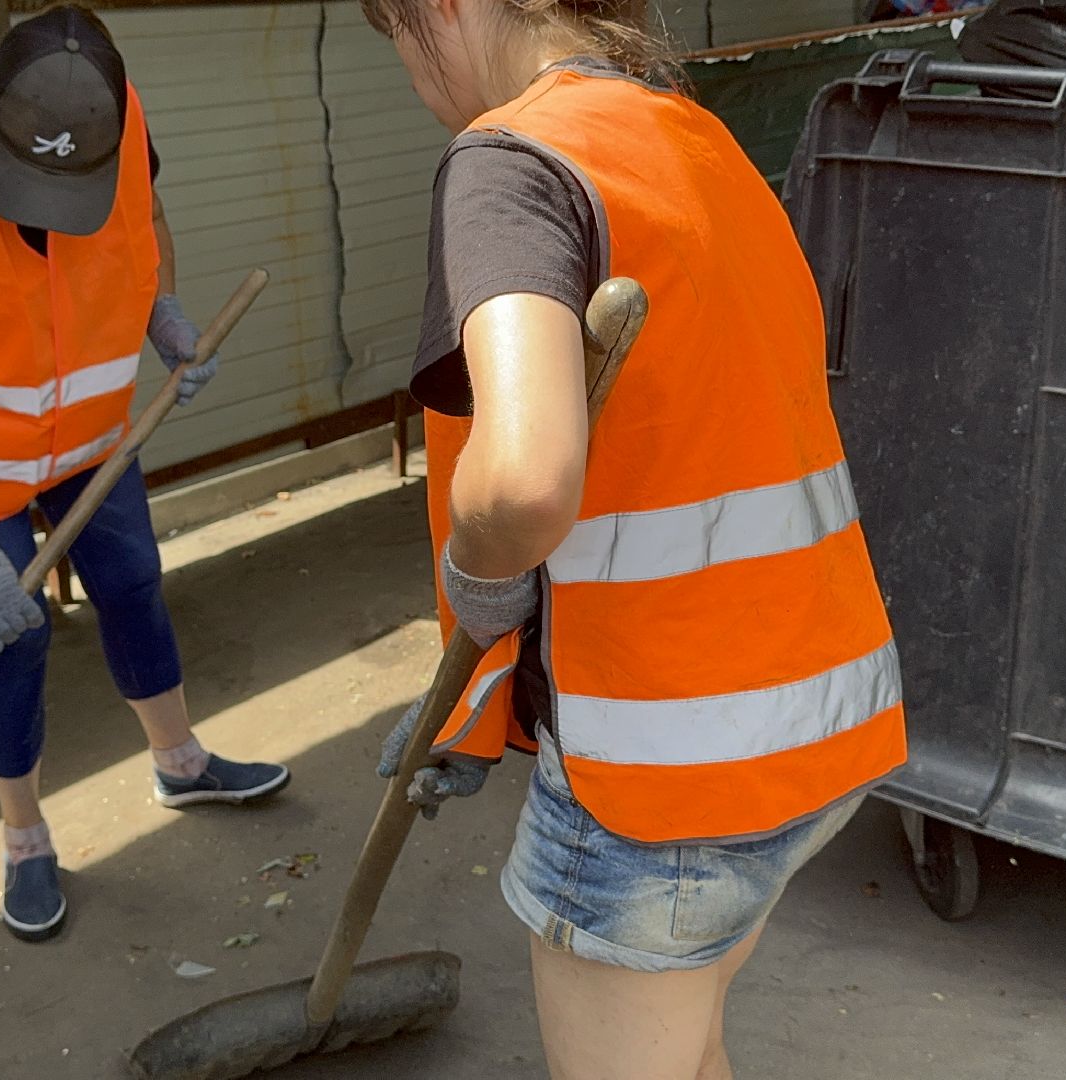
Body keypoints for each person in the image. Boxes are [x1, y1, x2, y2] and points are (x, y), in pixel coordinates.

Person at [364, 0, 907, 1075]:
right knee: (690, 1048)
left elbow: (521, 480)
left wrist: (476, 571)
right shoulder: (695, 142)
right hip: (821, 722)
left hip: (666, 783)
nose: (413, 78)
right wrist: (478, 715)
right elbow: (674, 450)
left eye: (396, 33)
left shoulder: (512, 160)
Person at [0, 5, 289, 944]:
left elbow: (149, 217)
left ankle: (181, 764)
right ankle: (24, 839)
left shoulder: (117, 118)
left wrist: (166, 312)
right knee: (14, 637)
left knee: (133, 583)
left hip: (91, 437)